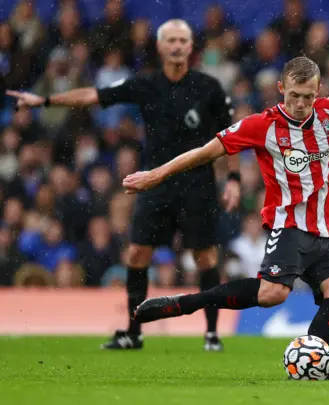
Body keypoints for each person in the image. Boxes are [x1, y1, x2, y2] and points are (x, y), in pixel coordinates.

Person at [122, 56, 329, 379]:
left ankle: (313, 361)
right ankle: (186, 304)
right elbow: (205, 152)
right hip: (289, 227)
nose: (301, 103)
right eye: (294, 95)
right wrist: (157, 175)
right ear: (281, 88)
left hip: (325, 231)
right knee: (273, 295)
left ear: (319, 90)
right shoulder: (261, 125)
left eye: (308, 96)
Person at [7, 19, 240, 351]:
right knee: (136, 253)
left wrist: (232, 178)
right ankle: (134, 331)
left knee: (204, 257)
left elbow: (229, 137)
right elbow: (93, 95)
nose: (176, 45)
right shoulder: (146, 84)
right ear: (160, 47)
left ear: (191, 47)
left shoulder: (208, 88)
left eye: (182, 40)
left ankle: (212, 333)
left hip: (197, 184)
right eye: (170, 40)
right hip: (153, 182)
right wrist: (44, 101)